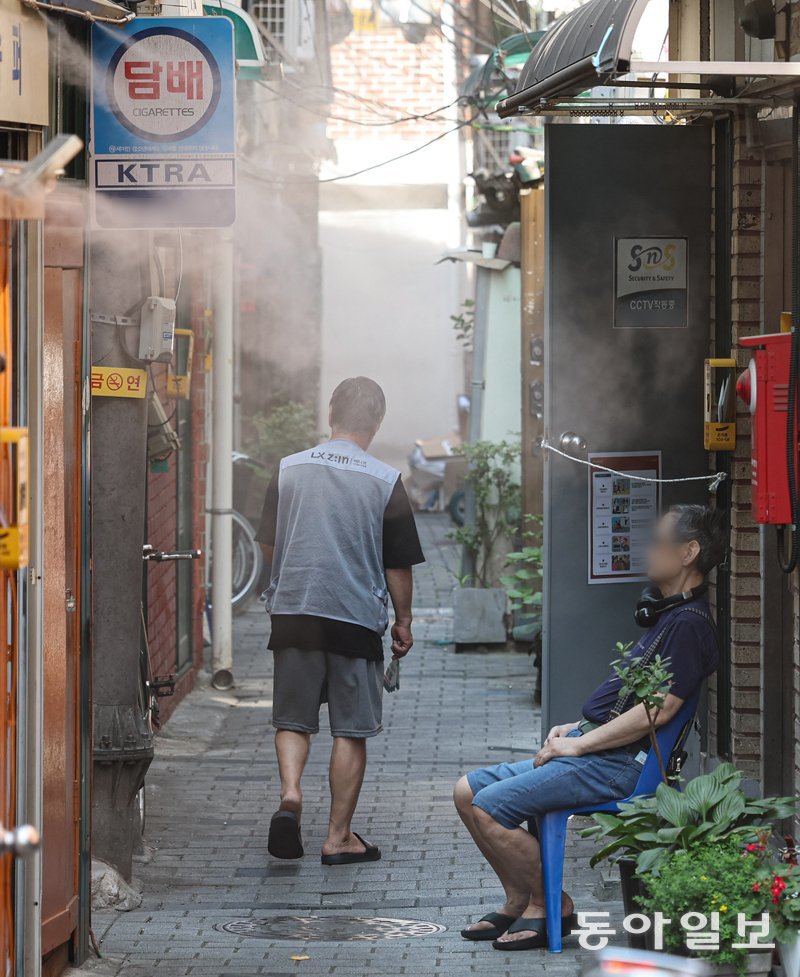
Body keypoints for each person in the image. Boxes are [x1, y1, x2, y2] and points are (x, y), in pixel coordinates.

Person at [454, 504, 726, 951]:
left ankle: (550, 907)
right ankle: (520, 899)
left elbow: (657, 710)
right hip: (599, 748)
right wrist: (577, 728)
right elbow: (629, 701)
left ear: (688, 552)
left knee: (488, 806)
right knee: (466, 791)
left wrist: (579, 747)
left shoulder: (689, 625)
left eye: (657, 542)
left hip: (620, 765)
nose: (647, 550)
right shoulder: (668, 615)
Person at [256, 377, 425, 865]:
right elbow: (396, 564)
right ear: (376, 423)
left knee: (293, 718)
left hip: (293, 610)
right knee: (350, 730)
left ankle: (290, 795)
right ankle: (338, 837)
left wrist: (285, 574)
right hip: (353, 617)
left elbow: (267, 542)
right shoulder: (385, 480)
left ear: (330, 413)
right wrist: (404, 620)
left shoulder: (288, 470)